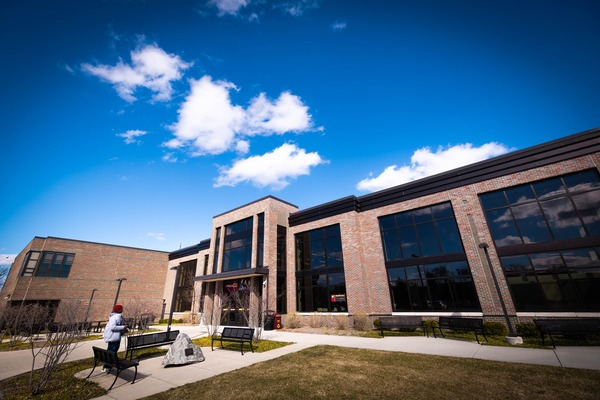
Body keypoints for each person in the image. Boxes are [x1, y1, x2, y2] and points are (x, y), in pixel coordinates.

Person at [102, 304, 128, 372]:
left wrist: (123, 329)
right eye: (121, 309)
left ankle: (110, 365)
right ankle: (106, 367)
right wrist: (123, 327)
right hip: (113, 337)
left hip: (115, 337)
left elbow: (117, 326)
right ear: (120, 310)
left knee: (112, 351)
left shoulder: (117, 317)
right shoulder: (114, 317)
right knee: (111, 352)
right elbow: (112, 327)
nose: (122, 310)